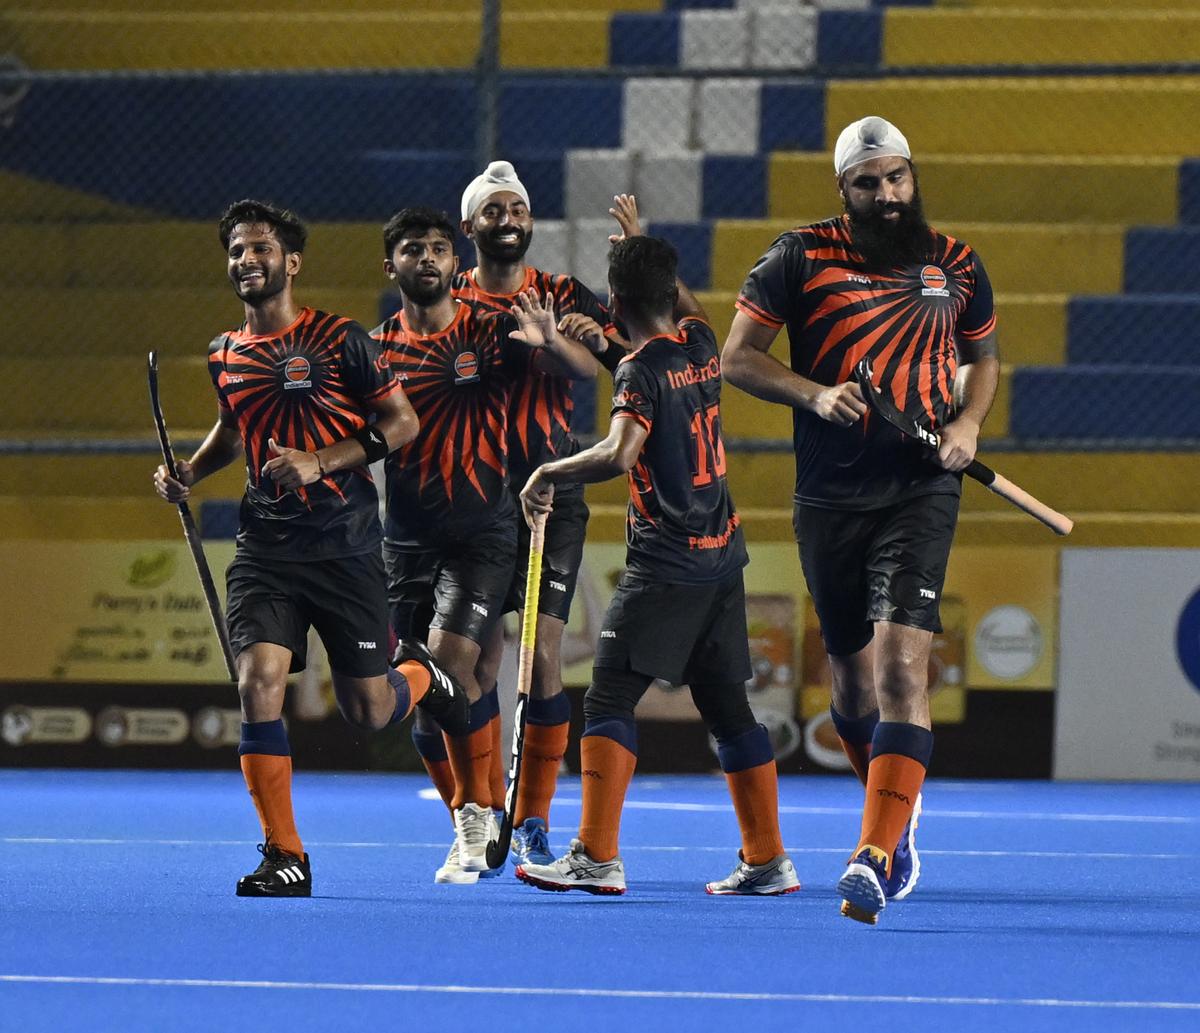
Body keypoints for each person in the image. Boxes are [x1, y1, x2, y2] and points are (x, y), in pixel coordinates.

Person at [722, 116, 1000, 924]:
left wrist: (968, 425)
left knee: (901, 673)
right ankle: (894, 811)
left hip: (919, 489)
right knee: (847, 688)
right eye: (869, 183)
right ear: (841, 189)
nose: (887, 195)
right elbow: (738, 355)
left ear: (914, 177)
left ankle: (873, 852)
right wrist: (813, 392)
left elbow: (982, 360)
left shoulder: (956, 263)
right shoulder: (798, 256)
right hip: (830, 496)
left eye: (898, 178)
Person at [152, 199, 467, 898]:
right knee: (256, 681)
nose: (246, 260)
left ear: (290, 261)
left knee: (370, 709)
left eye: (259, 248)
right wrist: (188, 475)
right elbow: (234, 430)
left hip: (346, 546)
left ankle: (420, 674)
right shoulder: (223, 353)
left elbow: (403, 423)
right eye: (236, 250)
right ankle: (285, 853)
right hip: (265, 548)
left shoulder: (340, 339)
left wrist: (320, 462)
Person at [514, 220, 799, 898]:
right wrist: (617, 324)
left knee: (610, 690)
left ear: (612, 300)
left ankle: (595, 855)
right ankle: (766, 858)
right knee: (728, 705)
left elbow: (618, 452)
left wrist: (548, 471)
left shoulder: (640, 370)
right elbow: (682, 319)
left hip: (666, 562)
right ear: (669, 291)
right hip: (723, 558)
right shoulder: (699, 342)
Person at [370, 206, 598, 883]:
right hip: (405, 539)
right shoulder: (373, 350)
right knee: (446, 686)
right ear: (393, 266)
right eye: (414, 249)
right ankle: (474, 814)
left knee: (455, 661)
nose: (430, 259)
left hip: (484, 530)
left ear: (455, 258)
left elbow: (582, 368)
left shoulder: (493, 333)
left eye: (440, 248)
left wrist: (548, 341)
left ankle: (506, 817)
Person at [453, 160, 628, 870]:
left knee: (542, 654)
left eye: (517, 208)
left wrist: (554, 340)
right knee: (478, 658)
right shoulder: (446, 297)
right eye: (493, 211)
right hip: (469, 498)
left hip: (553, 489)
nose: (508, 219)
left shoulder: (558, 291)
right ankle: (484, 805)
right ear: (470, 227)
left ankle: (531, 819)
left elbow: (610, 361)